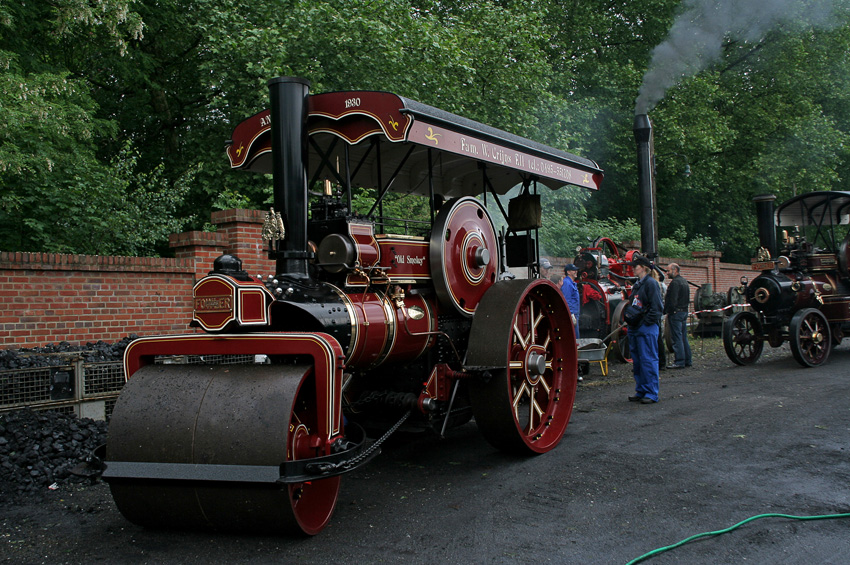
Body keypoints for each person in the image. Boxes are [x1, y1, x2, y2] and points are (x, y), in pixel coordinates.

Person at [623, 255, 664, 404]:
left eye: (636, 266)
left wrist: (645, 323)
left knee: (648, 360)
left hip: (646, 328)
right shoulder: (638, 284)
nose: (633, 268)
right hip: (636, 327)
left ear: (644, 268)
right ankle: (641, 390)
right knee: (638, 361)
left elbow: (657, 308)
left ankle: (652, 393)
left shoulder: (651, 284)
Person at [664, 263, 693, 369]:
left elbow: (672, 300)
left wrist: (668, 311)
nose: (667, 273)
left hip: (676, 313)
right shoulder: (684, 281)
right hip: (684, 312)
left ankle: (680, 361)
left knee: (677, 338)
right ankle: (687, 360)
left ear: (675, 270)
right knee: (683, 337)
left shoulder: (675, 283)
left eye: (668, 271)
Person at [651, 268, 667, 372]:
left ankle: (659, 362)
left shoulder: (652, 285)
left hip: (654, 313)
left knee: (656, 338)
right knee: (659, 338)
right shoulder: (662, 285)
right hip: (659, 312)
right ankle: (661, 362)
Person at [561, 263, 580, 338]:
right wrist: (571, 314)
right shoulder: (567, 283)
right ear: (568, 272)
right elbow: (566, 299)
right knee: (574, 337)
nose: (576, 271)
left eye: (576, 270)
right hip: (572, 314)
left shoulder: (572, 283)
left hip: (575, 314)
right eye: (573, 270)